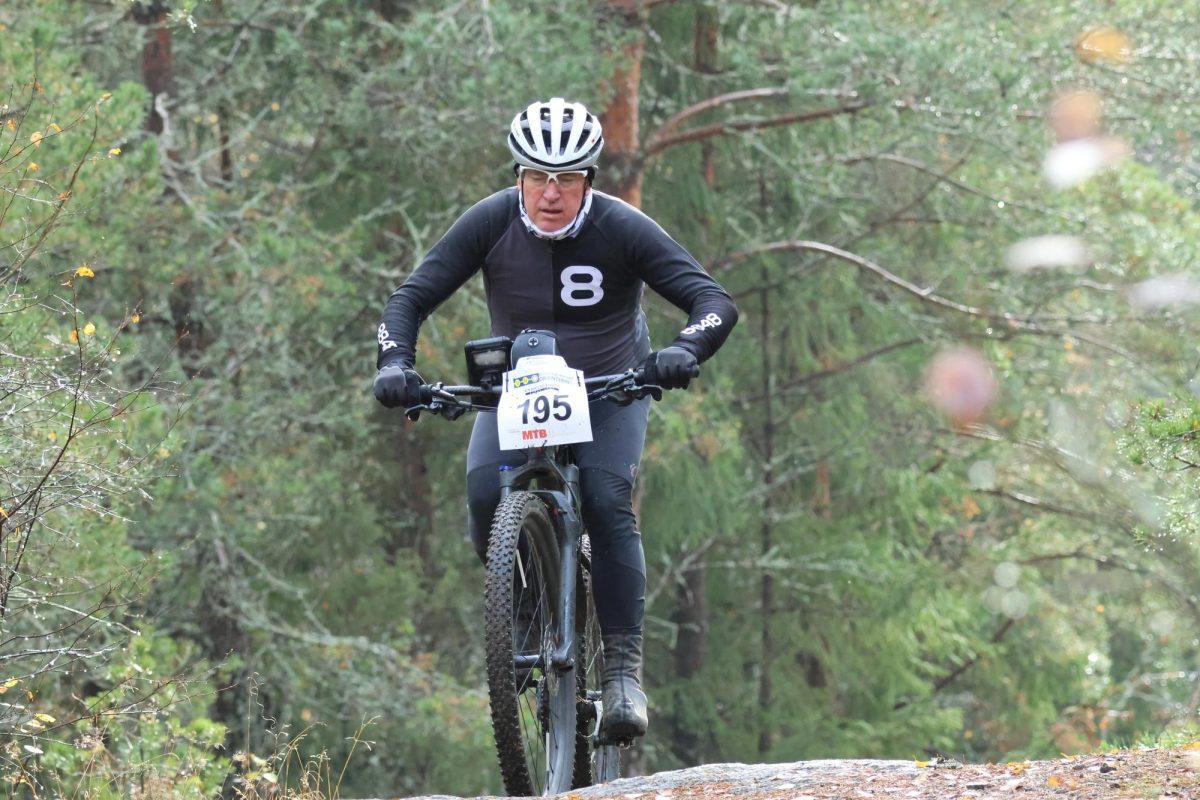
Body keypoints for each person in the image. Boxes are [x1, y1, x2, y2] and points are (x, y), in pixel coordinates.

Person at [372, 97, 738, 743]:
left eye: (566, 179)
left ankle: (621, 673)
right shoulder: (490, 220)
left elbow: (712, 301)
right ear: (519, 177)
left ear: (588, 181)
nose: (550, 193)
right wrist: (395, 362)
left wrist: (682, 350)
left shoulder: (621, 227)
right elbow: (409, 299)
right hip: (520, 387)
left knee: (605, 497)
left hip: (610, 385)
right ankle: (518, 611)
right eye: (537, 177)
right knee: (485, 490)